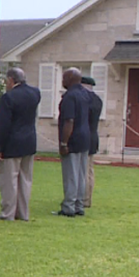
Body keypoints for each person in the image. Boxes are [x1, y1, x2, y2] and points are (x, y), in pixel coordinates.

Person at [0, 67, 41, 221]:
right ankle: (23, 213)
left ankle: (7, 213)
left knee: (9, 180)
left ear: (11, 80)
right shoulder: (35, 93)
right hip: (29, 141)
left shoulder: (8, 98)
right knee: (25, 180)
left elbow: (2, 124)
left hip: (12, 143)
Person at [55, 67, 91, 217]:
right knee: (81, 174)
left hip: (73, 138)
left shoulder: (70, 97)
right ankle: (79, 204)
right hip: (85, 137)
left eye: (64, 78)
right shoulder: (85, 94)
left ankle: (69, 206)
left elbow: (69, 121)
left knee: (71, 173)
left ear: (70, 79)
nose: (62, 81)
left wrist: (64, 143)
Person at [81, 75, 103, 208]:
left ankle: (83, 198)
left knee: (84, 170)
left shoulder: (84, 100)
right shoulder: (98, 100)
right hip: (93, 135)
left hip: (85, 136)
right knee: (89, 170)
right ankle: (87, 198)